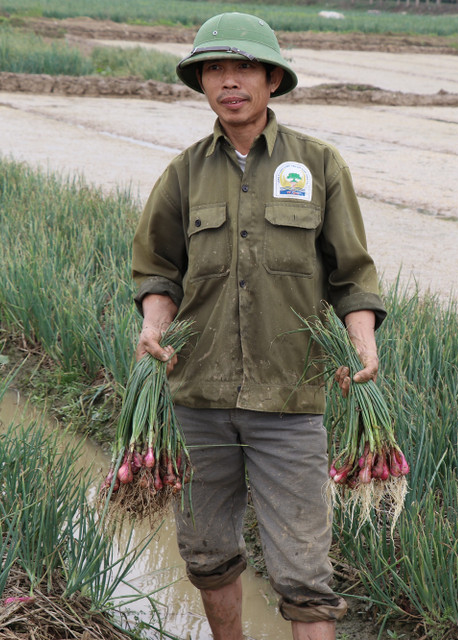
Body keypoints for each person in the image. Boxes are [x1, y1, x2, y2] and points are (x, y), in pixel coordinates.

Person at [130, 12, 386, 640]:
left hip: (290, 401)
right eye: (214, 68)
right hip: (199, 400)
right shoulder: (184, 173)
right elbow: (158, 269)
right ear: (202, 83)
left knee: (305, 576)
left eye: (243, 66)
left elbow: (351, 272)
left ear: (272, 78)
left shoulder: (319, 166)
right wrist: (154, 325)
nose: (229, 81)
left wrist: (363, 343)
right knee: (207, 554)